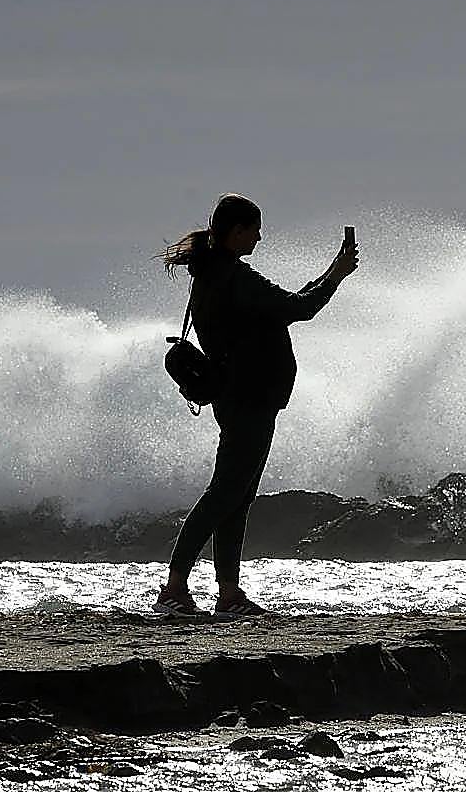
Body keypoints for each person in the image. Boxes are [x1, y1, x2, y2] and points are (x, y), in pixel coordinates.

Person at [154, 193, 359, 617]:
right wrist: (336, 275)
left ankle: (228, 594)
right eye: (254, 229)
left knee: (236, 497)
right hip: (248, 398)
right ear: (237, 231)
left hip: (241, 397)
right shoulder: (234, 277)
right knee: (224, 495)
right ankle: (174, 589)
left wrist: (331, 273)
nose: (259, 237)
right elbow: (301, 308)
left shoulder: (212, 273)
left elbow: (287, 306)